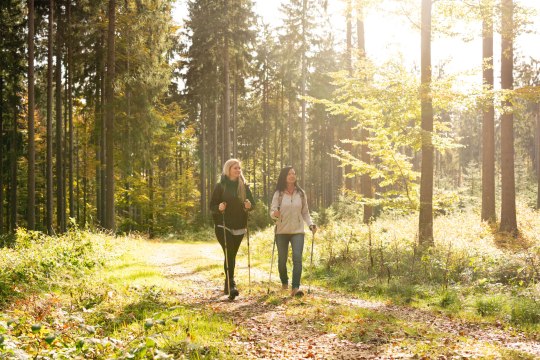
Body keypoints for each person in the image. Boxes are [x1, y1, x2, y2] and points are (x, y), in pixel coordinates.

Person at [210, 158, 255, 299]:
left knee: (231, 255)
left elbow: (253, 204)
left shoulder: (244, 186)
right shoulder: (220, 186)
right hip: (222, 225)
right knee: (229, 251)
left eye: (239, 168)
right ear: (228, 169)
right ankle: (232, 285)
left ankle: (227, 283)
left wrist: (249, 206)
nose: (238, 170)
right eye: (235, 168)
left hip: (239, 225)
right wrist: (219, 207)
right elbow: (212, 206)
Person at [270, 166, 317, 297]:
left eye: (294, 173)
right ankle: (284, 282)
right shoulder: (278, 193)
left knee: (297, 258)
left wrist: (310, 224)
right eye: (289, 173)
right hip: (281, 231)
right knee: (282, 260)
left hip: (298, 231)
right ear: (284, 176)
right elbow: (272, 212)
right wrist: (275, 214)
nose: (292, 175)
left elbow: (305, 212)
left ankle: (295, 288)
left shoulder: (301, 193)